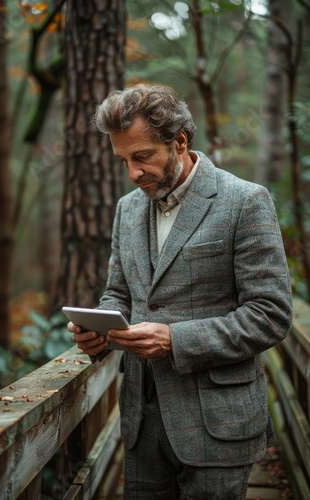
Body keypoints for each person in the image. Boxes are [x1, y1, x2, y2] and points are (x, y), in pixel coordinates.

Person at [68, 84, 293, 499]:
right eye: (123, 160)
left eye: (142, 157)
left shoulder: (245, 200)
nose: (133, 173)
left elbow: (270, 314)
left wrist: (175, 339)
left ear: (180, 142)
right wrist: (98, 329)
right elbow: (119, 292)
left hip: (217, 423)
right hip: (140, 420)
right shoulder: (128, 208)